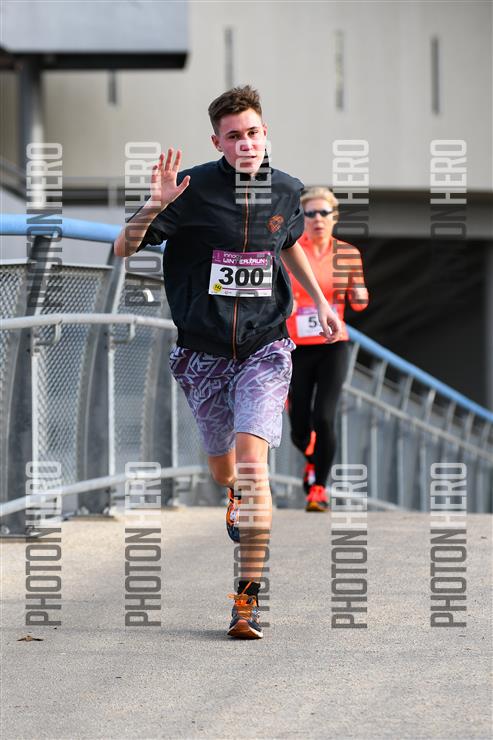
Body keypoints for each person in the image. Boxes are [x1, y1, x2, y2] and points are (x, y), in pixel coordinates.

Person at [114, 86, 342, 639]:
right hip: (203, 352)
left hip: (266, 347)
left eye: (254, 133)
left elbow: (288, 243)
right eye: (234, 136)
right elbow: (123, 247)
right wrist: (155, 205)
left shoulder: (286, 189)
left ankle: (246, 601)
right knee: (224, 470)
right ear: (217, 142)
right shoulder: (189, 189)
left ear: (266, 134)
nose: (246, 144)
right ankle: (233, 492)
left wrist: (318, 301)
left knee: (253, 465)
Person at [285, 186, 369, 512]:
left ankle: (319, 488)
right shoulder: (291, 250)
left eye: (324, 213)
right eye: (310, 213)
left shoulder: (347, 253)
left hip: (333, 345)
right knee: (299, 426)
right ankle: (311, 457)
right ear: (302, 218)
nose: (317, 219)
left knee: (324, 416)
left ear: (334, 217)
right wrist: (288, 305)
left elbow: (359, 301)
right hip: (297, 346)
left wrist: (359, 295)